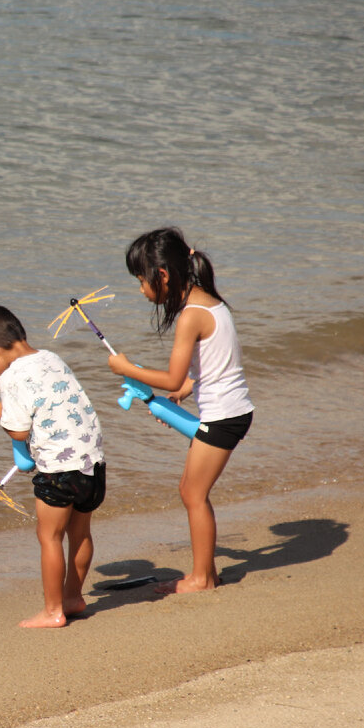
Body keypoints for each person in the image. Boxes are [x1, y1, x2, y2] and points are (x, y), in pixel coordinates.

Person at [107, 227, 254, 594]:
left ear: (163, 275)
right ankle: (207, 572)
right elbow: (211, 369)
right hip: (229, 410)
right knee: (190, 489)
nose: (141, 289)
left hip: (225, 415)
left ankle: (202, 579)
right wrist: (187, 392)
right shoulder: (211, 303)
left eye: (141, 280)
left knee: (193, 494)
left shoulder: (191, 315)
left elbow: (172, 378)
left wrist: (127, 369)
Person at [0, 305, 105, 628]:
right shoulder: (52, 358)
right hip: (92, 463)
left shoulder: (12, 375)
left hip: (59, 469)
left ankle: (53, 610)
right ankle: (73, 596)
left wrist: (0, 413)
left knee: (50, 537)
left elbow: (18, 431)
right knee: (81, 533)